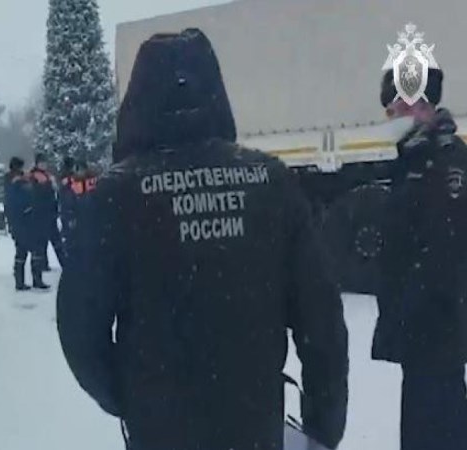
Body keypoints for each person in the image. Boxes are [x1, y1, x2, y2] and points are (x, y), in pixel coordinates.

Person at [57, 29, 348, 450]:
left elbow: (80, 327)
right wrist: (323, 423)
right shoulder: (271, 183)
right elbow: (322, 320)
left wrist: (132, 397)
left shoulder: (115, 196)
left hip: (160, 429)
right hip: (253, 424)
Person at [373, 60, 467, 450]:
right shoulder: (414, 157)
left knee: (435, 425)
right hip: (424, 330)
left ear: (421, 105)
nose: (393, 116)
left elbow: (442, 245)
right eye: (389, 110)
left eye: (398, 106)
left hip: (435, 327)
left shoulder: (445, 161)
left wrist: (415, 305)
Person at [4, 157, 41, 291]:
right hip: (21, 220)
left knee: (27, 250)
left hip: (26, 220)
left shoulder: (20, 179)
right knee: (25, 251)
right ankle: (28, 281)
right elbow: (14, 200)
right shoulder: (15, 180)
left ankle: (28, 280)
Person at [58, 158, 98, 265]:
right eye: (78, 169)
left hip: (88, 217)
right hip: (74, 216)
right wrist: (69, 216)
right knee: (72, 244)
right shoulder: (69, 183)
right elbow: (65, 200)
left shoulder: (92, 182)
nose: (80, 172)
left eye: (82, 169)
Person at [29, 152, 64, 272]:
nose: (44, 165)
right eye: (41, 163)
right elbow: (36, 193)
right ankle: (44, 264)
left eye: (45, 162)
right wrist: (48, 186)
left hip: (50, 212)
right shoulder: (34, 176)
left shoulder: (48, 176)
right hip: (40, 213)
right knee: (44, 241)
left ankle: (64, 263)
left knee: (55, 240)